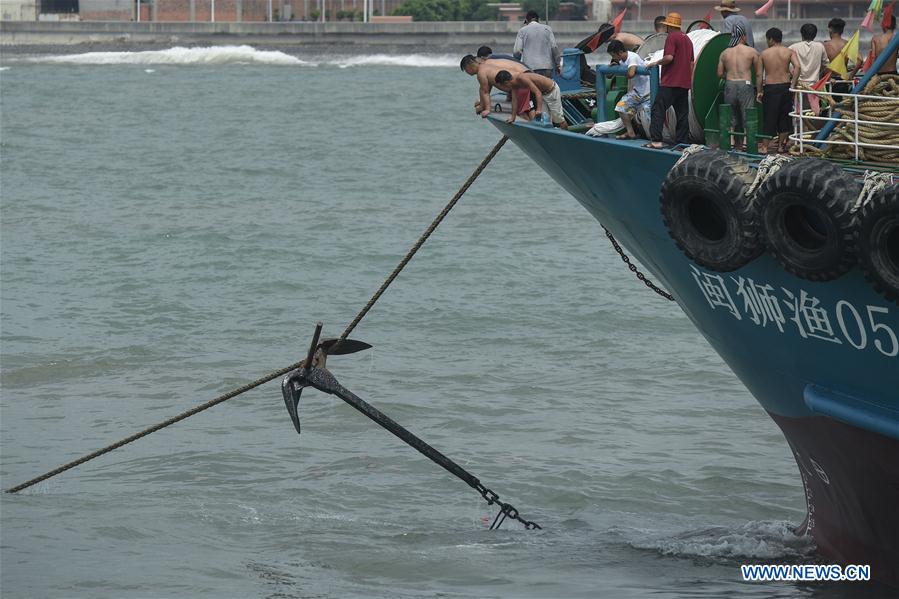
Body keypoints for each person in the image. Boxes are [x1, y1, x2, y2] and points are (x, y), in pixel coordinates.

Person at [646, 12, 694, 148]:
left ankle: (655, 141)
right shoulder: (687, 39)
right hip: (684, 84)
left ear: (669, 26)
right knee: (682, 114)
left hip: (670, 82)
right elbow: (692, 63)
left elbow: (669, 58)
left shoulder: (672, 37)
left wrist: (655, 63)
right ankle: (682, 142)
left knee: (658, 109)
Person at [717, 24, 761, 150]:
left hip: (730, 84)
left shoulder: (725, 53)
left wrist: (730, 77)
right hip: (745, 85)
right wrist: (759, 91)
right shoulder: (751, 51)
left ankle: (730, 142)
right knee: (747, 113)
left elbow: (719, 74)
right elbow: (758, 74)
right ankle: (746, 143)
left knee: (731, 115)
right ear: (743, 36)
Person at [758, 27, 800, 153]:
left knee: (769, 117)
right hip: (785, 86)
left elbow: (759, 75)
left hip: (770, 87)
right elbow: (797, 66)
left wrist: (759, 91)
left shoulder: (764, 54)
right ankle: (781, 146)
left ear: (771, 39)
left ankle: (765, 147)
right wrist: (793, 85)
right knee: (784, 117)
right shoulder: (789, 51)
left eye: (767, 39)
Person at [460, 54, 528, 119]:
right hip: (522, 81)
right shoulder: (486, 66)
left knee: (522, 113)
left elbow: (485, 92)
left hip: (520, 87)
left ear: (469, 66)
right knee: (527, 110)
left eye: (466, 70)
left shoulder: (481, 73)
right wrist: (481, 105)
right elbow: (484, 89)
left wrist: (487, 110)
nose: (467, 72)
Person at [607, 40, 650, 139]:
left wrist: (622, 70)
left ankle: (652, 137)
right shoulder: (622, 61)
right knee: (620, 107)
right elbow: (610, 75)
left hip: (648, 92)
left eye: (613, 55)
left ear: (620, 52)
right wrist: (616, 66)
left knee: (648, 116)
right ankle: (630, 132)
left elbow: (630, 74)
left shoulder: (632, 57)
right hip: (638, 91)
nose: (613, 58)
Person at [494, 70, 568, 129]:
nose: (504, 88)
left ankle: (567, 136)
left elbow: (537, 92)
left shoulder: (521, 78)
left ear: (506, 82)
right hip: (542, 94)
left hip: (551, 91)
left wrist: (538, 109)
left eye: (503, 86)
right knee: (545, 120)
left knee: (559, 120)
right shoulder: (513, 85)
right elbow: (514, 100)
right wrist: (513, 117)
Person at [513, 10, 561, 78]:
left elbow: (517, 51)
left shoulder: (522, 31)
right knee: (545, 88)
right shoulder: (547, 29)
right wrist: (558, 64)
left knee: (533, 88)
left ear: (526, 20)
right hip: (546, 67)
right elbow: (554, 47)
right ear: (538, 20)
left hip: (529, 68)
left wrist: (517, 63)